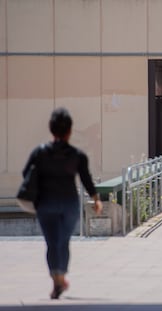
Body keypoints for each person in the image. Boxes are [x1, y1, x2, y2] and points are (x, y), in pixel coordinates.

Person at [22, 108, 103, 299]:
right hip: (69, 204)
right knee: (63, 242)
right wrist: (96, 200)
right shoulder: (77, 155)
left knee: (51, 243)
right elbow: (86, 179)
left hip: (46, 204)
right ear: (70, 131)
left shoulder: (39, 153)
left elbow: (26, 174)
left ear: (51, 129)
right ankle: (61, 276)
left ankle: (56, 279)